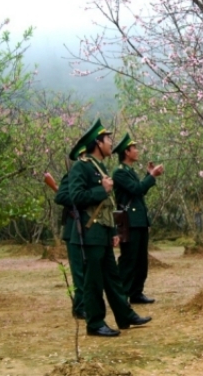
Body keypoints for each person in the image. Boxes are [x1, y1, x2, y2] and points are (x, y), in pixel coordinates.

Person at [68, 119, 152, 337]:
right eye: (107, 140)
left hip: (104, 231)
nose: (110, 143)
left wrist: (114, 231)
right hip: (90, 232)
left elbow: (108, 205)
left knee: (113, 277)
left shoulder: (100, 166)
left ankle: (125, 315)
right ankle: (95, 323)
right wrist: (101, 190)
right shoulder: (81, 166)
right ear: (98, 142)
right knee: (93, 280)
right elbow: (75, 196)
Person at [112, 133, 164, 305]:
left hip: (139, 220)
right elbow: (136, 189)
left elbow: (139, 191)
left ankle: (136, 292)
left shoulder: (130, 172)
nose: (137, 151)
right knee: (129, 259)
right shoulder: (119, 172)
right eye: (134, 148)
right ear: (127, 152)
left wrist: (148, 175)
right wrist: (152, 176)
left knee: (141, 260)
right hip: (129, 222)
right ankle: (121, 295)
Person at [54, 148, 86, 320]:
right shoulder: (73, 174)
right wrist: (79, 198)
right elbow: (60, 197)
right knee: (79, 271)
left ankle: (85, 303)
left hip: (86, 227)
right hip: (73, 227)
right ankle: (80, 306)